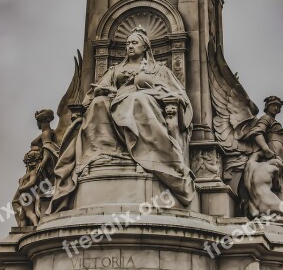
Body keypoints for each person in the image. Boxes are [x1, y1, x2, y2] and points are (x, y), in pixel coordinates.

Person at [48, 27, 195, 213]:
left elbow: (174, 92)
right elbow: (97, 89)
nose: (129, 46)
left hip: (144, 99)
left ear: (145, 47)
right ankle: (103, 155)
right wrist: (102, 92)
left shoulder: (157, 69)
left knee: (138, 100)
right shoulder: (116, 69)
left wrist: (145, 89)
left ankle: (148, 156)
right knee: (98, 104)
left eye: (134, 43)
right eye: (127, 44)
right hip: (115, 101)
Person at [245, 96, 283, 205]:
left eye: (278, 106)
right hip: (274, 152)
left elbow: (280, 144)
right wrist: (266, 149)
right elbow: (257, 133)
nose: (276, 108)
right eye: (274, 105)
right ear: (267, 106)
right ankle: (278, 205)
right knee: (279, 182)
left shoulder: (273, 120)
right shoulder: (266, 118)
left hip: (282, 154)